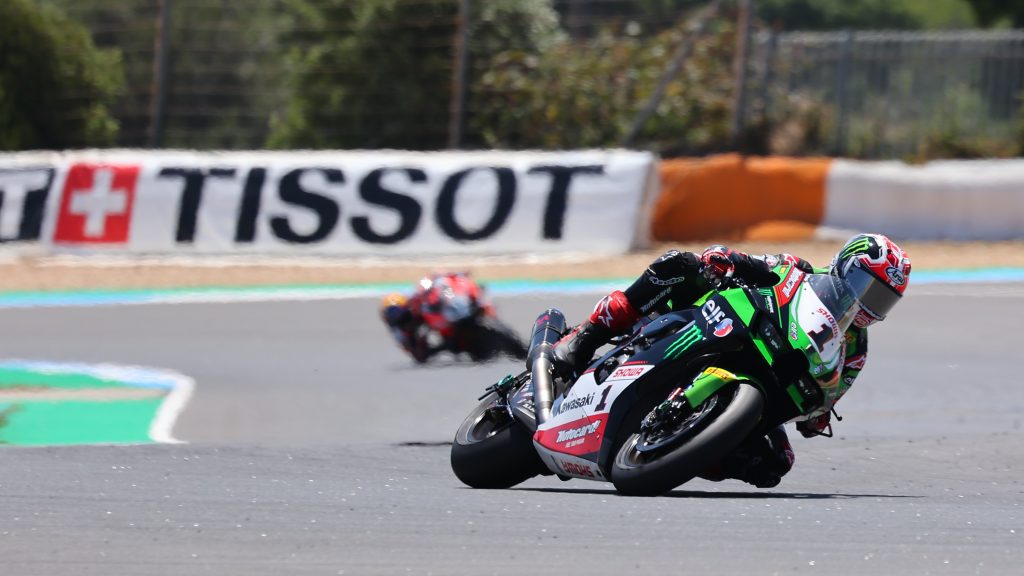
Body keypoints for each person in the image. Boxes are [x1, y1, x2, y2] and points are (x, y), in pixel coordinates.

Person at [552, 233, 912, 488]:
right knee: (680, 264)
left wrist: (818, 415)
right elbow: (755, 263)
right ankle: (588, 334)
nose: (869, 302)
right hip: (721, 323)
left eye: (883, 299)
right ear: (845, 267)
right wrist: (726, 258)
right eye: (867, 286)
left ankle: (681, 450)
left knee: (774, 464)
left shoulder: (856, 350)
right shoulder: (799, 271)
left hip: (769, 379)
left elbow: (833, 391)